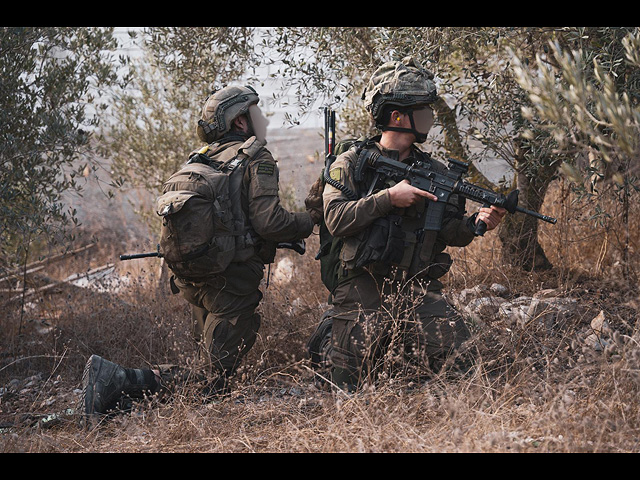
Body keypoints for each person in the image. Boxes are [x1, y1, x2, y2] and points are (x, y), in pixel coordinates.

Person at [81, 85, 319, 425]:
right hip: (231, 280)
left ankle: (122, 401)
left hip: (193, 277)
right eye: (256, 112)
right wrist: (310, 218)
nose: (263, 119)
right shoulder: (255, 158)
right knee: (211, 377)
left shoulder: (198, 159)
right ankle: (114, 378)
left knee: (207, 371)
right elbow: (270, 222)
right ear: (240, 122)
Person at [306, 58, 506, 392]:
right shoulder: (351, 163)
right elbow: (337, 220)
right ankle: (335, 328)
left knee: (466, 362)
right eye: (422, 110)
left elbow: (447, 232)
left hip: (414, 285)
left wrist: (475, 223)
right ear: (397, 116)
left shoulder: (434, 170)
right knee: (342, 385)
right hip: (363, 284)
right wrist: (388, 198)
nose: (429, 117)